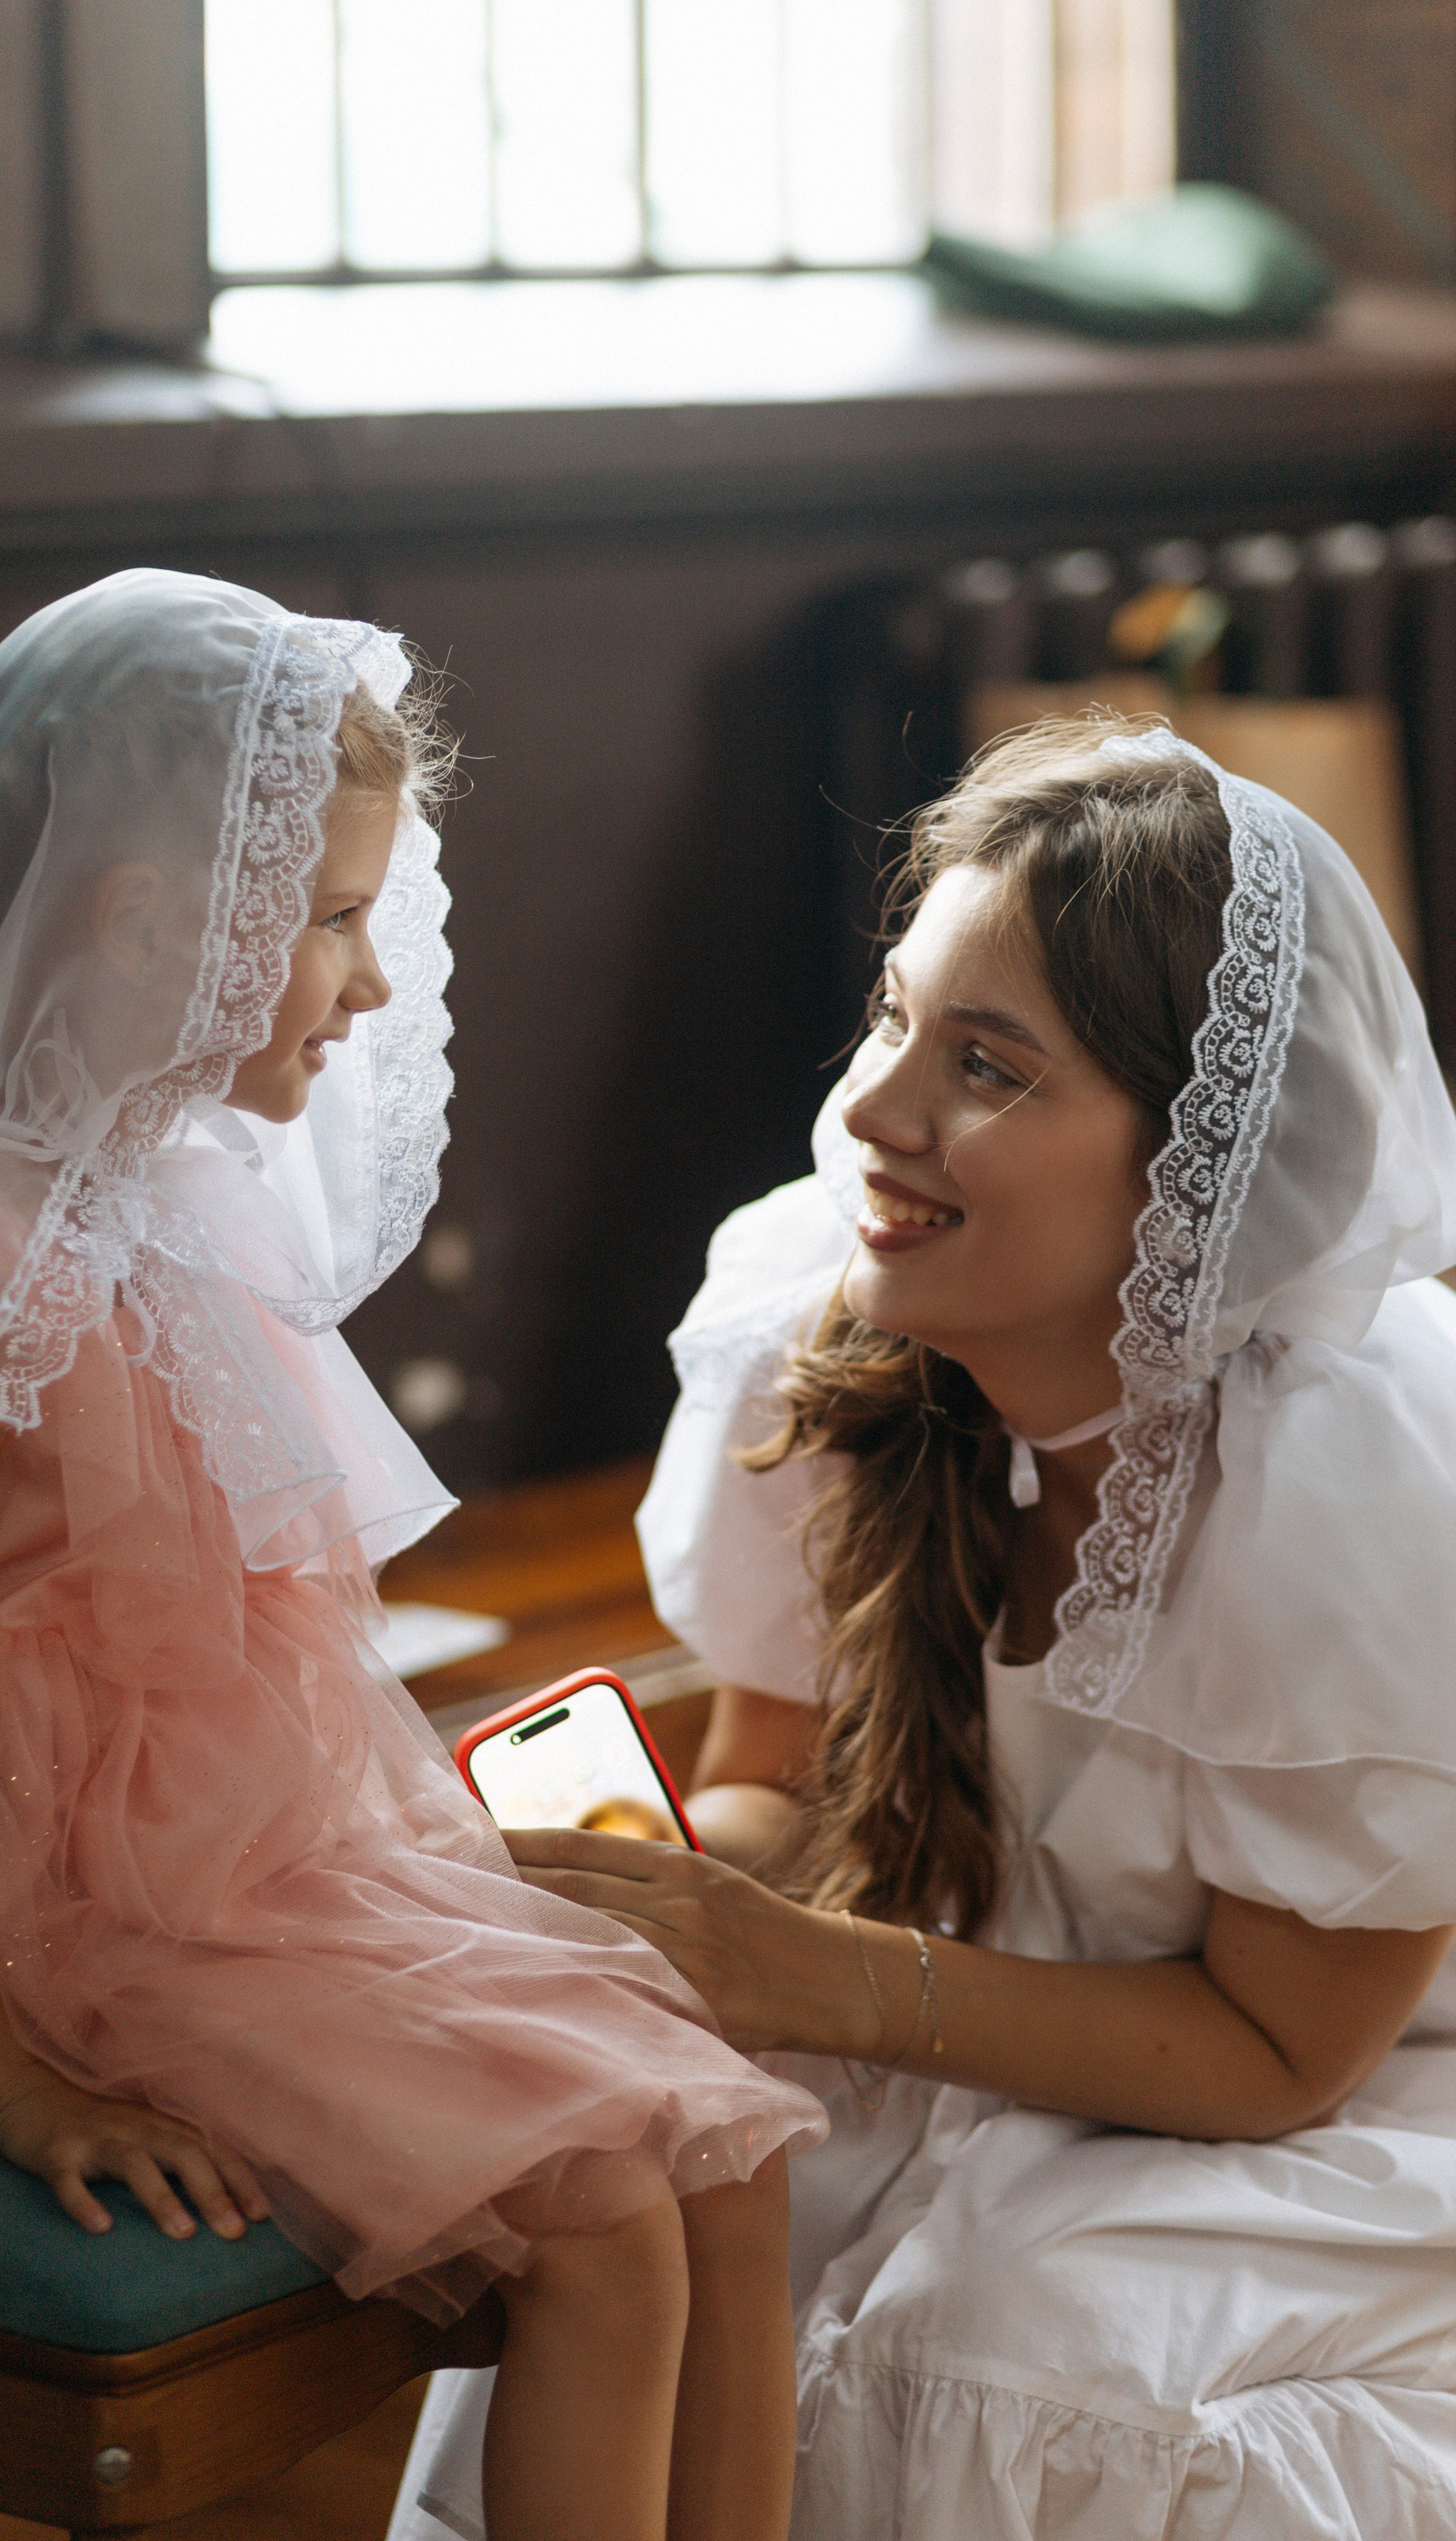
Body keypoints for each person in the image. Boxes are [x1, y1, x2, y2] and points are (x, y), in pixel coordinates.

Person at [0, 571, 827, 2541]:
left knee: (727, 2158)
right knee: (605, 2228)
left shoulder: (182, 1198)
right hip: (63, 1933)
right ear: (156, 921)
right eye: (331, 921)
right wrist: (16, 2090)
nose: (374, 979)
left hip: (262, 1879)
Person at [394, 719, 1456, 2540]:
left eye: (988, 1066)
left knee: (1009, 2349)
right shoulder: (826, 1324)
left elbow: (1283, 2055)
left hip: (1323, 2109)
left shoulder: (1356, 1486)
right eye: (895, 1022)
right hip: (955, 2000)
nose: (879, 1114)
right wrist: (637, 1898)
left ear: (1198, 1166)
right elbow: (781, 1784)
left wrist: (807, 1977)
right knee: (665, 2197)